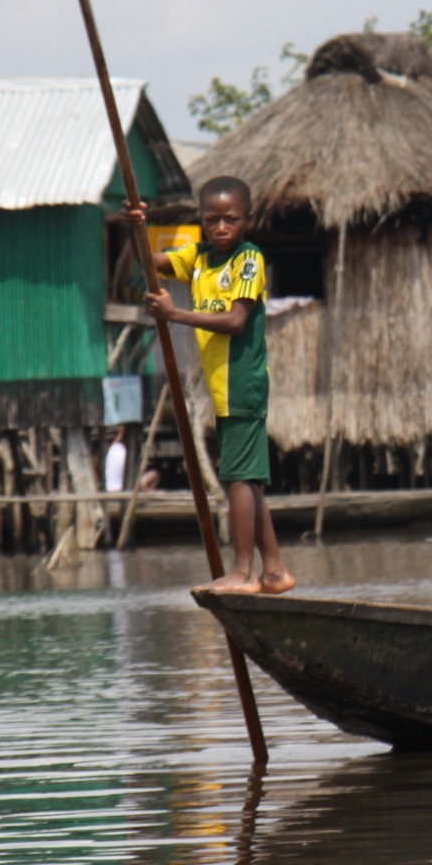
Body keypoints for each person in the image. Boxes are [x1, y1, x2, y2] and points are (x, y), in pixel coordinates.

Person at [128, 178, 295, 595]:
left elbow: (237, 321)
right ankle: (275, 570)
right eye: (211, 220)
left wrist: (175, 315)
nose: (221, 228)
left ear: (247, 220)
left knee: (238, 478)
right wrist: (135, 227)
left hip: (243, 381)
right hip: (221, 387)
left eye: (231, 219)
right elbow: (151, 263)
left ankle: (243, 573)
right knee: (249, 480)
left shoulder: (248, 259)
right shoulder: (199, 258)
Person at [104, 426, 130, 494]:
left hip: (109, 488)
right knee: (156, 474)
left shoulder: (112, 449)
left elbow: (117, 439)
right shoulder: (124, 453)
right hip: (120, 489)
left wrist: (120, 434)